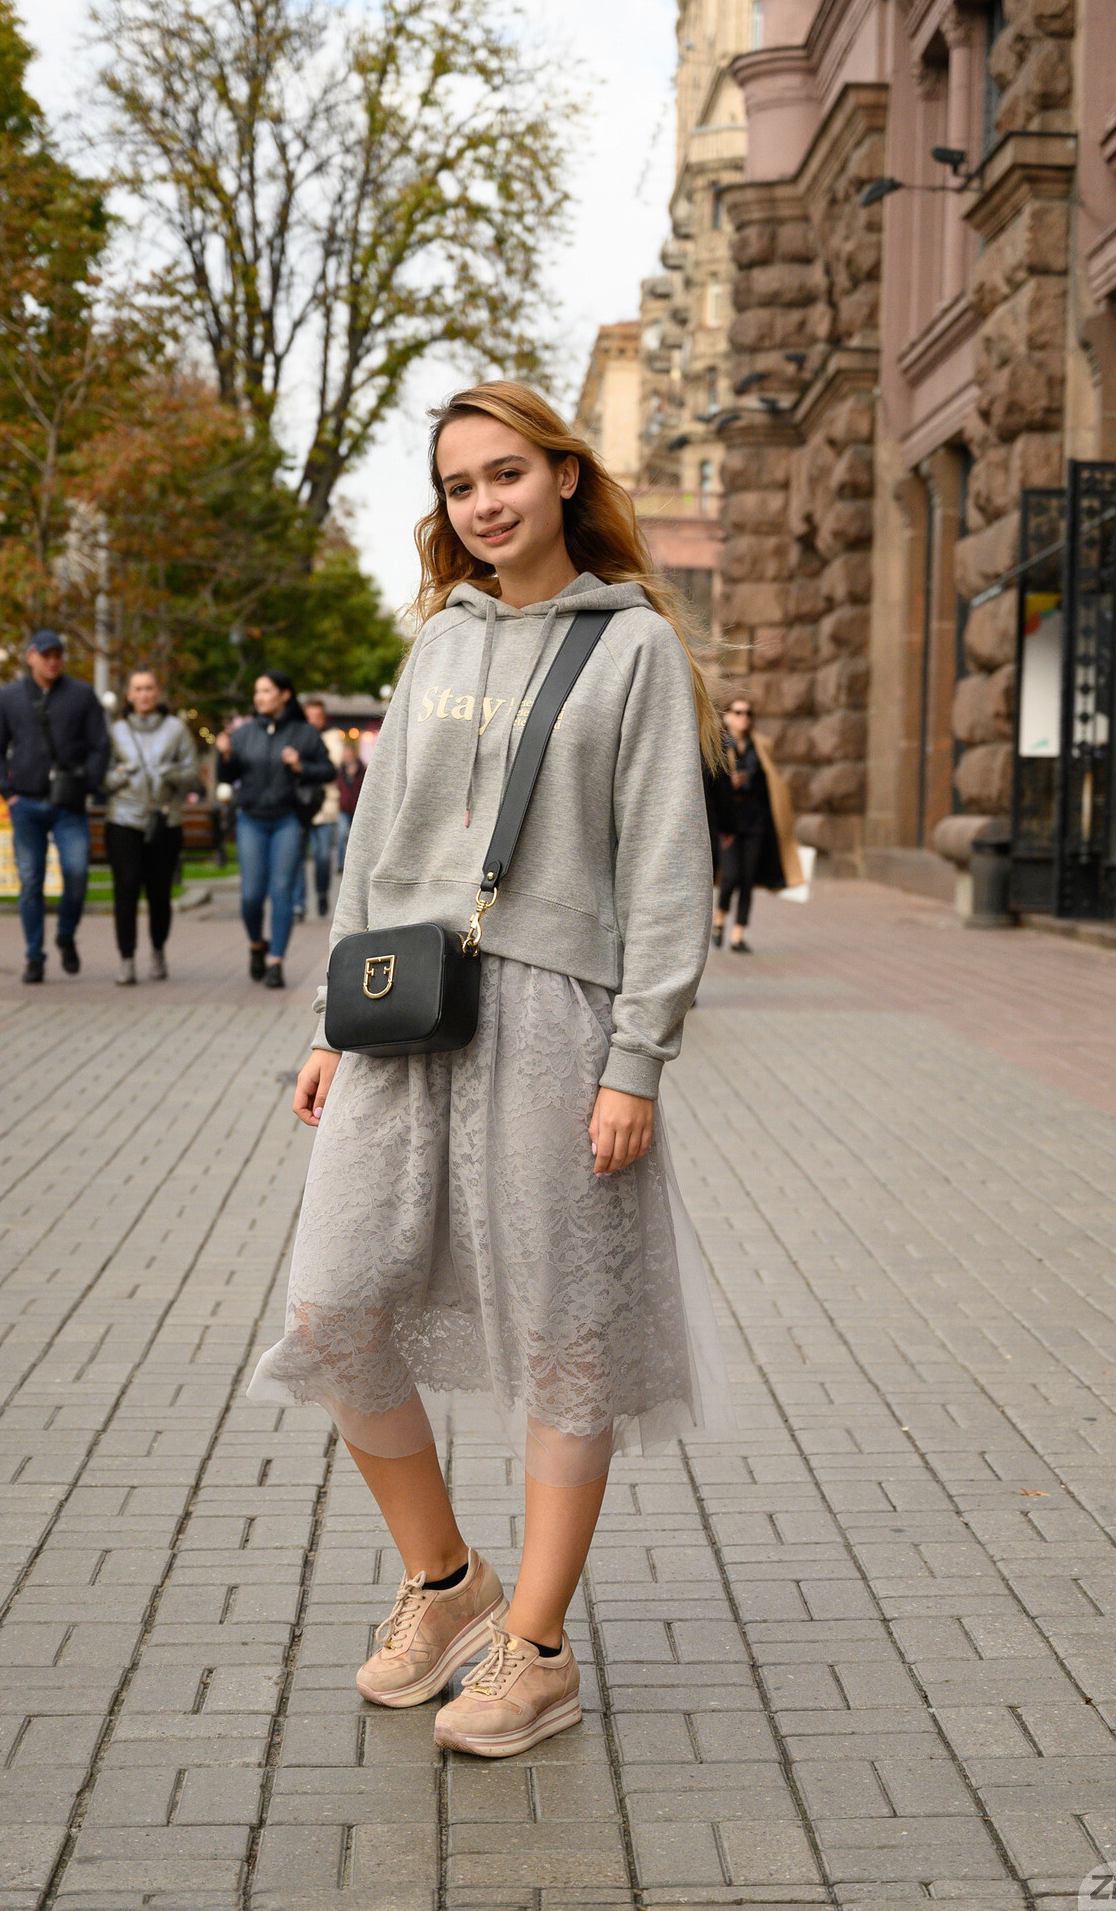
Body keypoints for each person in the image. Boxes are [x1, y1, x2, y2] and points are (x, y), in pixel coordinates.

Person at [247, 380, 736, 1760]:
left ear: (563, 475)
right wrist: (328, 1024)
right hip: (405, 1010)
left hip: (557, 1021)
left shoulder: (631, 648)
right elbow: (375, 849)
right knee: (335, 1302)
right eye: (459, 486)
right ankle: (447, 1579)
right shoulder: (436, 644)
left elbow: (665, 867)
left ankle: (536, 1649)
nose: (483, 504)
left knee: (566, 1333)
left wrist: (635, 1060)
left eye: (505, 473)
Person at [0, 629, 110, 983]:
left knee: (77, 873)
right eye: (46, 655)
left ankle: (66, 935)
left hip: (69, 805)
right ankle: (34, 956)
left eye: (58, 655)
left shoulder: (81, 695)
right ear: (30, 657)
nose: (53, 661)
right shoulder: (10, 697)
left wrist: (87, 783)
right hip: (25, 804)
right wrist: (7, 791)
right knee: (30, 882)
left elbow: (101, 745)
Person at [215, 671, 334, 988]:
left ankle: (276, 961)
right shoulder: (243, 734)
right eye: (257, 691)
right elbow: (226, 776)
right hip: (251, 820)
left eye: (266, 691)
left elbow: (327, 770)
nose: (259, 697)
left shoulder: (304, 733)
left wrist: (300, 765)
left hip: (287, 820)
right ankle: (257, 944)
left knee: (281, 890)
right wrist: (224, 754)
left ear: (284, 694)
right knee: (251, 895)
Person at [104, 669, 199, 984]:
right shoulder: (116, 731)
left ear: (158, 693)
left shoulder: (176, 729)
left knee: (159, 893)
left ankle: (158, 950)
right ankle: (126, 958)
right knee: (126, 888)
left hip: (164, 820)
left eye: (149, 688)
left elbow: (193, 775)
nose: (144, 694)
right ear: (129, 695)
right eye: (138, 689)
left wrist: (171, 774)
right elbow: (101, 777)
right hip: (124, 819)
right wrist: (121, 774)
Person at [711, 695, 803, 952]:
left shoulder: (760, 745)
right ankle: (719, 918)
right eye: (738, 712)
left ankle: (737, 935)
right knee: (731, 875)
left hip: (755, 818)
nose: (744, 718)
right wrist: (729, 786)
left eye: (748, 713)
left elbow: (770, 781)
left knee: (748, 878)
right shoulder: (718, 746)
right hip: (729, 820)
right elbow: (713, 785)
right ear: (727, 716)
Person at [292, 700, 339, 921]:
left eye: (317, 716)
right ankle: (298, 904)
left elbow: (332, 765)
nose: (313, 721)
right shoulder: (295, 736)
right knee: (297, 857)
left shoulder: (331, 737)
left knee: (323, 857)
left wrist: (302, 765)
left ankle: (321, 893)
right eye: (309, 716)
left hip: (324, 808)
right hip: (299, 806)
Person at [334, 739, 365, 870]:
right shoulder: (340, 770)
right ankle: (341, 863)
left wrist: (355, 774)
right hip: (344, 807)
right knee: (341, 835)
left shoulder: (362, 769)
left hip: (357, 808)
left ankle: (355, 864)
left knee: (357, 837)